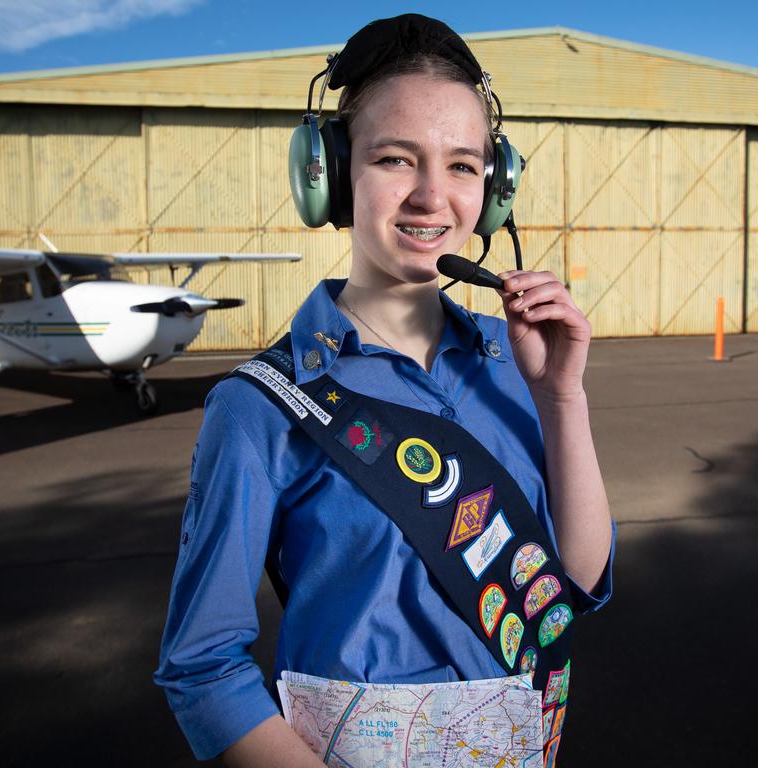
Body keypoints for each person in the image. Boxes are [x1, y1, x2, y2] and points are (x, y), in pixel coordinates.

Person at [155, 14, 615, 766]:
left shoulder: (517, 361)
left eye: (464, 166)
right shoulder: (261, 404)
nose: (433, 196)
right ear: (331, 175)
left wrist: (563, 397)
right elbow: (202, 667)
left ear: (495, 187)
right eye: (397, 159)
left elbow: (575, 582)